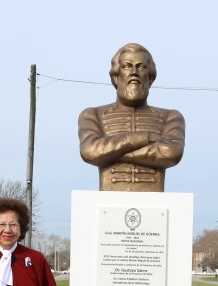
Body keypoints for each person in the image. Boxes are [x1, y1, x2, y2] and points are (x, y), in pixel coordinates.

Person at [78, 43, 185, 192]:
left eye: (141, 67)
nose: (134, 72)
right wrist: (146, 137)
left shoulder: (171, 117)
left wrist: (109, 154)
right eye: (127, 66)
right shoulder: (92, 115)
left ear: (150, 78)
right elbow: (90, 151)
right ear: (116, 77)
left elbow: (171, 153)